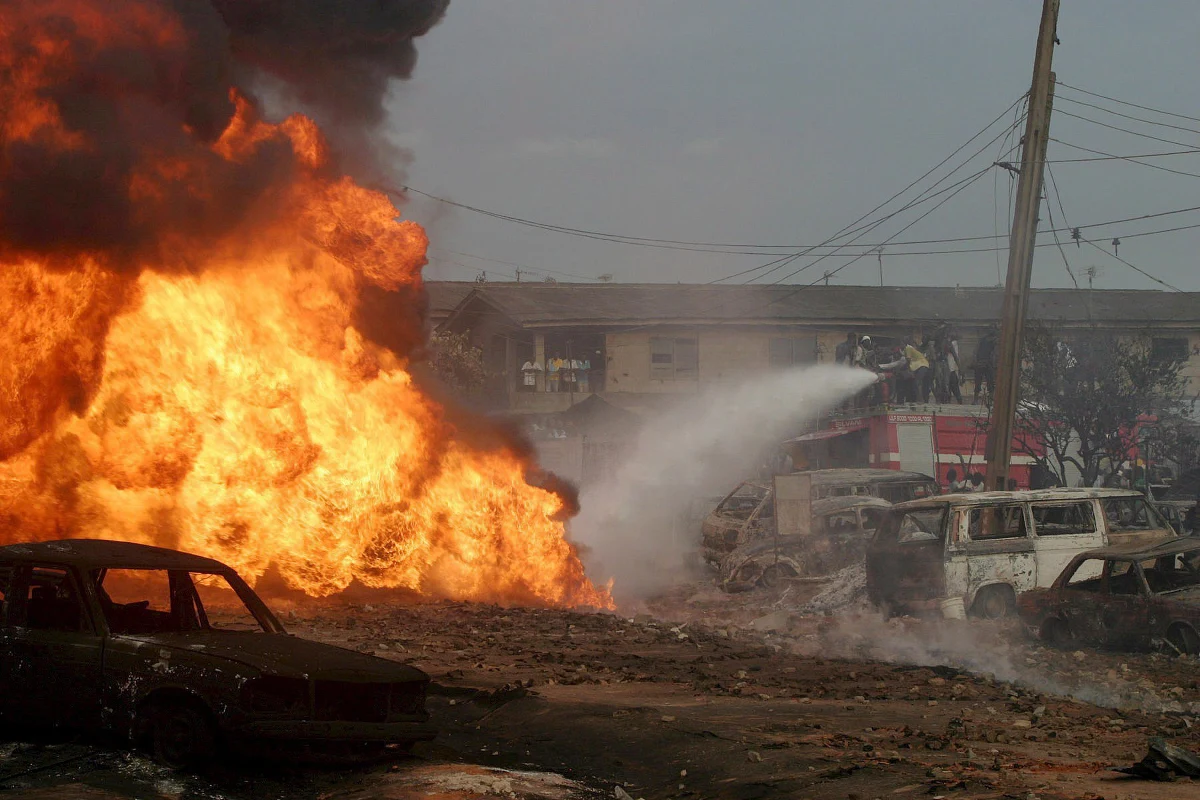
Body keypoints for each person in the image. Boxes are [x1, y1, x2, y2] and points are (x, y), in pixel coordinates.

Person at [974, 324, 998, 403]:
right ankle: (975, 400)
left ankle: (990, 401)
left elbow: (994, 353)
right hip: (982, 362)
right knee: (978, 382)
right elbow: (977, 351)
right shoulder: (983, 339)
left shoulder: (995, 340)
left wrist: (994, 364)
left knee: (990, 383)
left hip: (988, 363)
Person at [903, 336, 930, 403]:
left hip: (922, 365)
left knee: (917, 382)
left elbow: (908, 361)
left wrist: (907, 369)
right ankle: (919, 398)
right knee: (917, 383)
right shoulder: (907, 349)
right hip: (919, 366)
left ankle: (920, 399)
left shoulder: (908, 348)